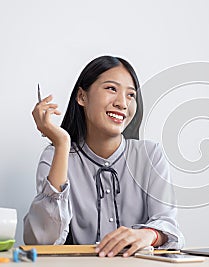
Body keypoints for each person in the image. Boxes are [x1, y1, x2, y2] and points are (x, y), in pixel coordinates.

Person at [24, 55, 184, 257]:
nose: (122, 103)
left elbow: (169, 226)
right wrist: (62, 144)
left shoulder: (150, 155)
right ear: (82, 97)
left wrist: (148, 234)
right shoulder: (55, 155)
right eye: (111, 89)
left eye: (131, 95)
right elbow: (42, 240)